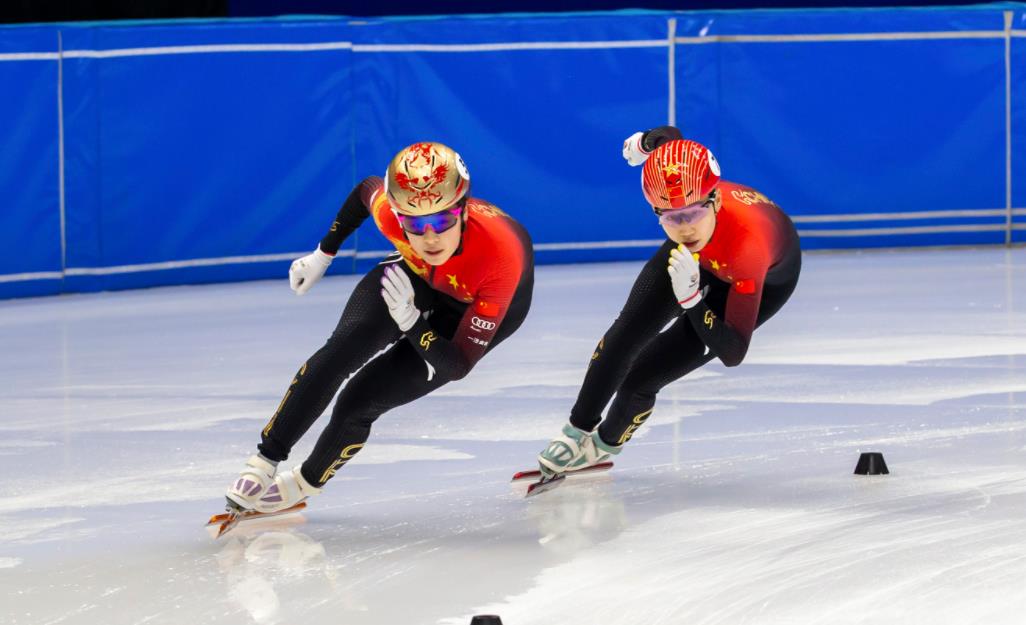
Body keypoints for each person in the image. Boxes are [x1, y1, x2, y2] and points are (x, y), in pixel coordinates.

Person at [225, 142, 534, 514]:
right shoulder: (390, 214)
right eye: (416, 224)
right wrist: (323, 255)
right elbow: (365, 190)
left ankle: (306, 481)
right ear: (399, 216)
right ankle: (264, 461)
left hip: (475, 304)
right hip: (417, 277)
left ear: (463, 211)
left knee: (361, 398)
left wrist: (413, 323)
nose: (430, 237)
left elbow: (457, 366)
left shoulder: (502, 256)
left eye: (441, 221)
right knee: (339, 352)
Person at [536, 127, 801, 477]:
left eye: (692, 214)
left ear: (716, 201)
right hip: (703, 258)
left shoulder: (749, 248)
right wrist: (646, 142)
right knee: (625, 334)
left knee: (641, 377)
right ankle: (575, 433)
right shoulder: (680, 186)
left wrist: (692, 301)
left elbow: (733, 352)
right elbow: (670, 139)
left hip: (759, 276)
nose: (684, 228)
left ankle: (602, 446)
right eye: (671, 218)